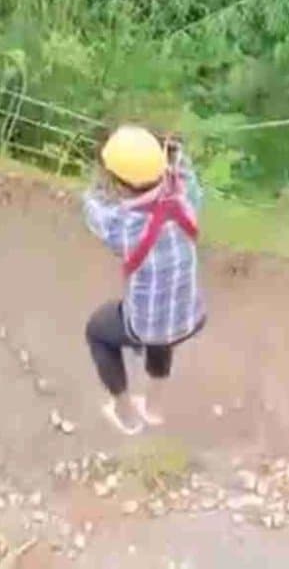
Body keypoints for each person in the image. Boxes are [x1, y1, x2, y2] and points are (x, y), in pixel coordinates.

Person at [83, 125, 205, 435]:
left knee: (98, 332)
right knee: (162, 336)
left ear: (118, 182)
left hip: (148, 323)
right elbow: (185, 172)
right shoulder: (186, 197)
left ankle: (126, 416)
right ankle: (153, 409)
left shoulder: (121, 224)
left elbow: (92, 206)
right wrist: (174, 154)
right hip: (189, 314)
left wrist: (100, 180)